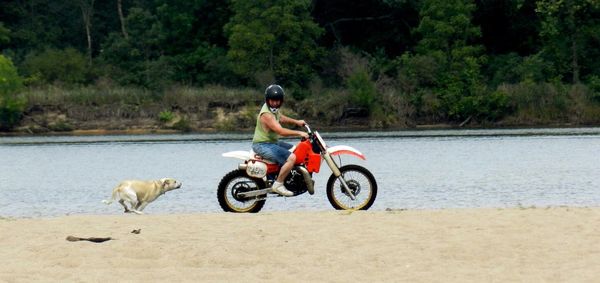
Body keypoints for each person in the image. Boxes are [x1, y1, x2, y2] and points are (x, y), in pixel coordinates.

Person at [252, 84, 309, 196]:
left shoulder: (272, 110)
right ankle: (278, 184)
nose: (275, 103)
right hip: (262, 145)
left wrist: (297, 122)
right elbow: (281, 131)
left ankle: (283, 177)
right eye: (272, 101)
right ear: (268, 100)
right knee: (291, 158)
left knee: (294, 150)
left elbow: (280, 118)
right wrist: (299, 132)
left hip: (271, 142)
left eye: (277, 101)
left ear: (281, 101)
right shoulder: (266, 114)